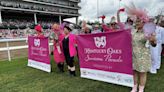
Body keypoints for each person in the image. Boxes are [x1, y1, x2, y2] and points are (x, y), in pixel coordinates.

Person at [125, 3, 155, 92]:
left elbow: (154, 44)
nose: (137, 22)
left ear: (144, 21)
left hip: (143, 56)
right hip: (133, 55)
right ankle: (134, 87)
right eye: (136, 21)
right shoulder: (133, 31)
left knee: (142, 73)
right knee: (134, 72)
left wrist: (152, 40)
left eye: (139, 21)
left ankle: (141, 89)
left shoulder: (148, 31)